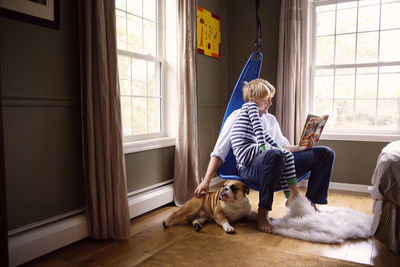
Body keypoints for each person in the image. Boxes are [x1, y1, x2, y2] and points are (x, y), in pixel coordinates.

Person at [194, 78, 335, 234]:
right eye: (266, 99)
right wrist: (206, 181)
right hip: (251, 168)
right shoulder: (236, 116)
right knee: (274, 154)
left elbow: (282, 147)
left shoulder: (271, 119)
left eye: (270, 99)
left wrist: (301, 147)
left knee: (325, 153)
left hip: (278, 160)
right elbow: (218, 152)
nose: (270, 103)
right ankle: (263, 213)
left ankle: (309, 205)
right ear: (254, 100)